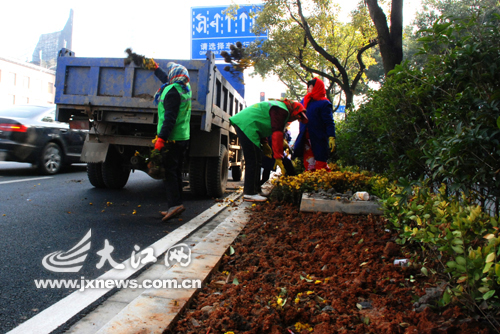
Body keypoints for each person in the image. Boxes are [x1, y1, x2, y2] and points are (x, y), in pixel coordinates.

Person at [230, 99, 308, 202]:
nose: (295, 119)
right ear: (294, 110)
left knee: (257, 160)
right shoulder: (282, 110)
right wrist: (278, 156)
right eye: (297, 116)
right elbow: (277, 134)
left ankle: (256, 190)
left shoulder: (280, 108)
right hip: (247, 125)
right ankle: (250, 193)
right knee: (253, 160)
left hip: (249, 125)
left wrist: (265, 143)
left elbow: (263, 124)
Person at [150, 61, 192, 221]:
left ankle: (174, 205)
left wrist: (161, 139)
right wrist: (155, 69)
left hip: (172, 139)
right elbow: (166, 80)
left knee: (169, 173)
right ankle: (176, 204)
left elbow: (169, 119)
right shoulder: (184, 89)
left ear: (174, 76)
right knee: (176, 172)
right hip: (183, 137)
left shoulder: (172, 92)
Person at [293, 77, 336, 171]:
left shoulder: (324, 103)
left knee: (321, 164)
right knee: (309, 165)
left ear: (317, 87)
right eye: (308, 86)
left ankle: (323, 184)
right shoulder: (304, 101)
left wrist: (331, 136)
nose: (309, 88)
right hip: (306, 138)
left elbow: (329, 121)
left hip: (319, 138)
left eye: (311, 86)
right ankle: (310, 184)